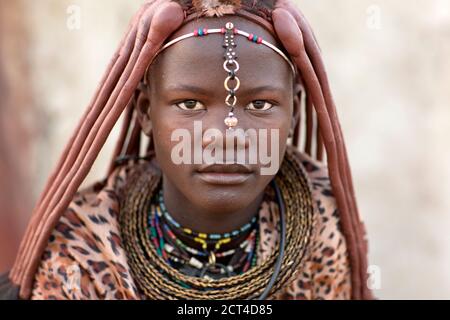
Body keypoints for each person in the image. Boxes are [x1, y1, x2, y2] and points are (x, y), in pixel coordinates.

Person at [0, 0, 373, 300]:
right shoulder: (81, 255)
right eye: (190, 105)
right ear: (146, 112)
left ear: (293, 114)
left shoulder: (324, 226)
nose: (226, 137)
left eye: (259, 105)